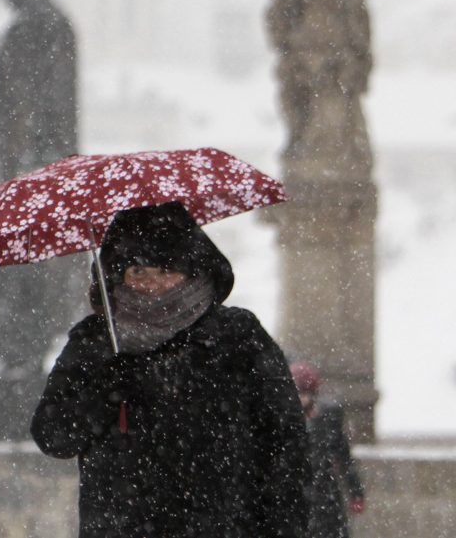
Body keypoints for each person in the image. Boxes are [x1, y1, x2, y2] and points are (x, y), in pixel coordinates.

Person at [31, 202, 310, 537]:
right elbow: (52, 435)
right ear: (117, 276)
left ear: (193, 270)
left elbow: (285, 441)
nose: (152, 285)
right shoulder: (96, 341)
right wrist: (103, 392)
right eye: (138, 272)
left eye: (165, 271)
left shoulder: (237, 337)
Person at [290, 362, 366, 538]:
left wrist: (356, 493)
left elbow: (345, 458)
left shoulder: (328, 421)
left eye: (304, 393)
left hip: (326, 499)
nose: (301, 399)